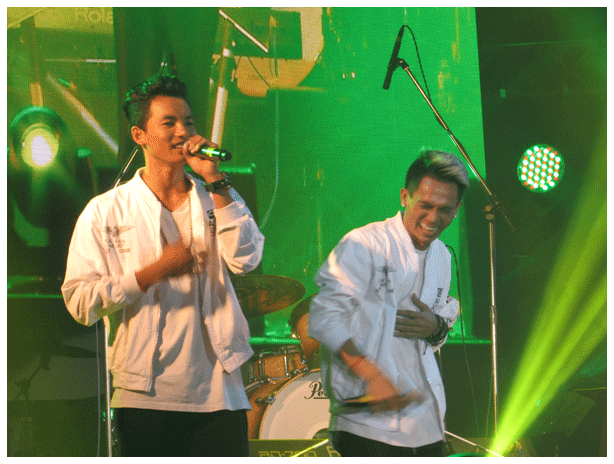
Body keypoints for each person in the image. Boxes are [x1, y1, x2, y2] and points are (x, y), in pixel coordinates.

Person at [61, 75, 265, 456]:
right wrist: (152, 272)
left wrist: (215, 179)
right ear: (139, 135)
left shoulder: (215, 196)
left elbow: (248, 259)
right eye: (169, 123)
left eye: (188, 122)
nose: (183, 132)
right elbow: (80, 301)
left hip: (220, 395)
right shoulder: (105, 212)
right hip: (146, 398)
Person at [309, 149, 469, 457]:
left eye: (445, 209)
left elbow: (434, 334)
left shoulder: (442, 256)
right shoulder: (365, 243)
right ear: (404, 197)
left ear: (457, 209)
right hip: (367, 424)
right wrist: (373, 376)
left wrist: (435, 327)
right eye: (425, 205)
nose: (433, 218)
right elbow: (323, 316)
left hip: (426, 422)